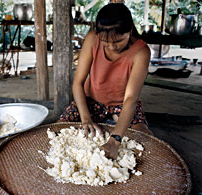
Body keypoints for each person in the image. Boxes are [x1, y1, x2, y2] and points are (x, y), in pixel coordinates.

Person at [59, 3, 153, 160]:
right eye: (105, 41)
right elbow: (78, 83)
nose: (111, 47)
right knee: (60, 130)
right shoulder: (92, 38)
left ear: (129, 31)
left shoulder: (141, 52)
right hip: (91, 100)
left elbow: (131, 98)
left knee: (142, 137)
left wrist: (115, 140)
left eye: (117, 41)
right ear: (98, 34)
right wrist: (86, 119)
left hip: (121, 104)